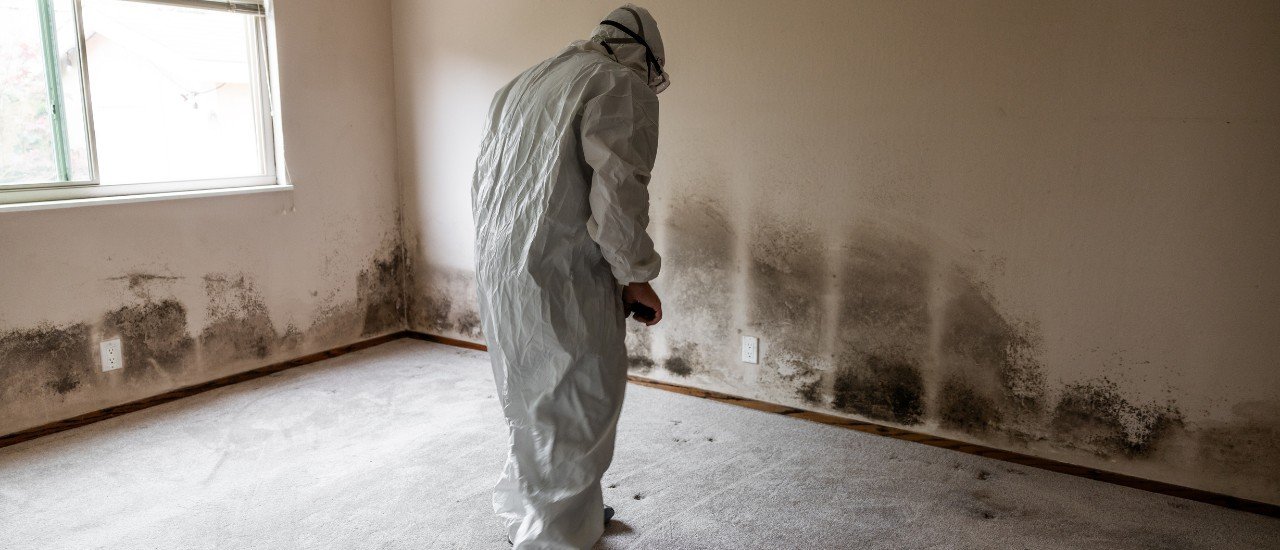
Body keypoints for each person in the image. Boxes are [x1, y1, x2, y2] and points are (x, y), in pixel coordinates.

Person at [470, 4, 670, 548]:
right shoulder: (618, 85)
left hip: (503, 265)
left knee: (530, 393)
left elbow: (487, 177)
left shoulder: (525, 82)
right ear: (643, 52)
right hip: (563, 269)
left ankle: (544, 506)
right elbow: (619, 192)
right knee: (584, 396)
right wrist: (635, 275)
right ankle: (557, 535)